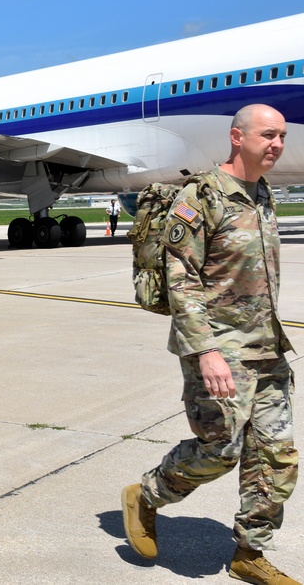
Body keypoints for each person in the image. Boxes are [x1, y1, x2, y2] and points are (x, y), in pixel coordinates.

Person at [122, 104, 298, 585]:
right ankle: (147, 495)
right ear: (237, 137)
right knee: (219, 450)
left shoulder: (262, 195)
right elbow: (182, 279)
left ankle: (249, 552)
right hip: (219, 349)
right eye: (268, 134)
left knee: (276, 458)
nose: (277, 144)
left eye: (281, 135)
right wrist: (206, 351)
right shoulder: (202, 196)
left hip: (267, 349)